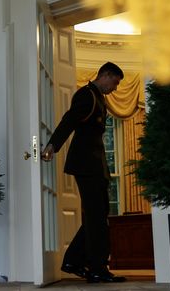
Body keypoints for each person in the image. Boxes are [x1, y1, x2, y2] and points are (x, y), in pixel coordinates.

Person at [41, 61, 125, 283]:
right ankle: (96, 268)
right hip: (86, 165)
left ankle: (74, 261)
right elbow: (69, 120)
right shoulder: (86, 95)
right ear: (105, 75)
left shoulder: (98, 97)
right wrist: (52, 145)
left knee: (98, 215)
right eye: (115, 83)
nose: (115, 88)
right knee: (96, 216)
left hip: (95, 166)